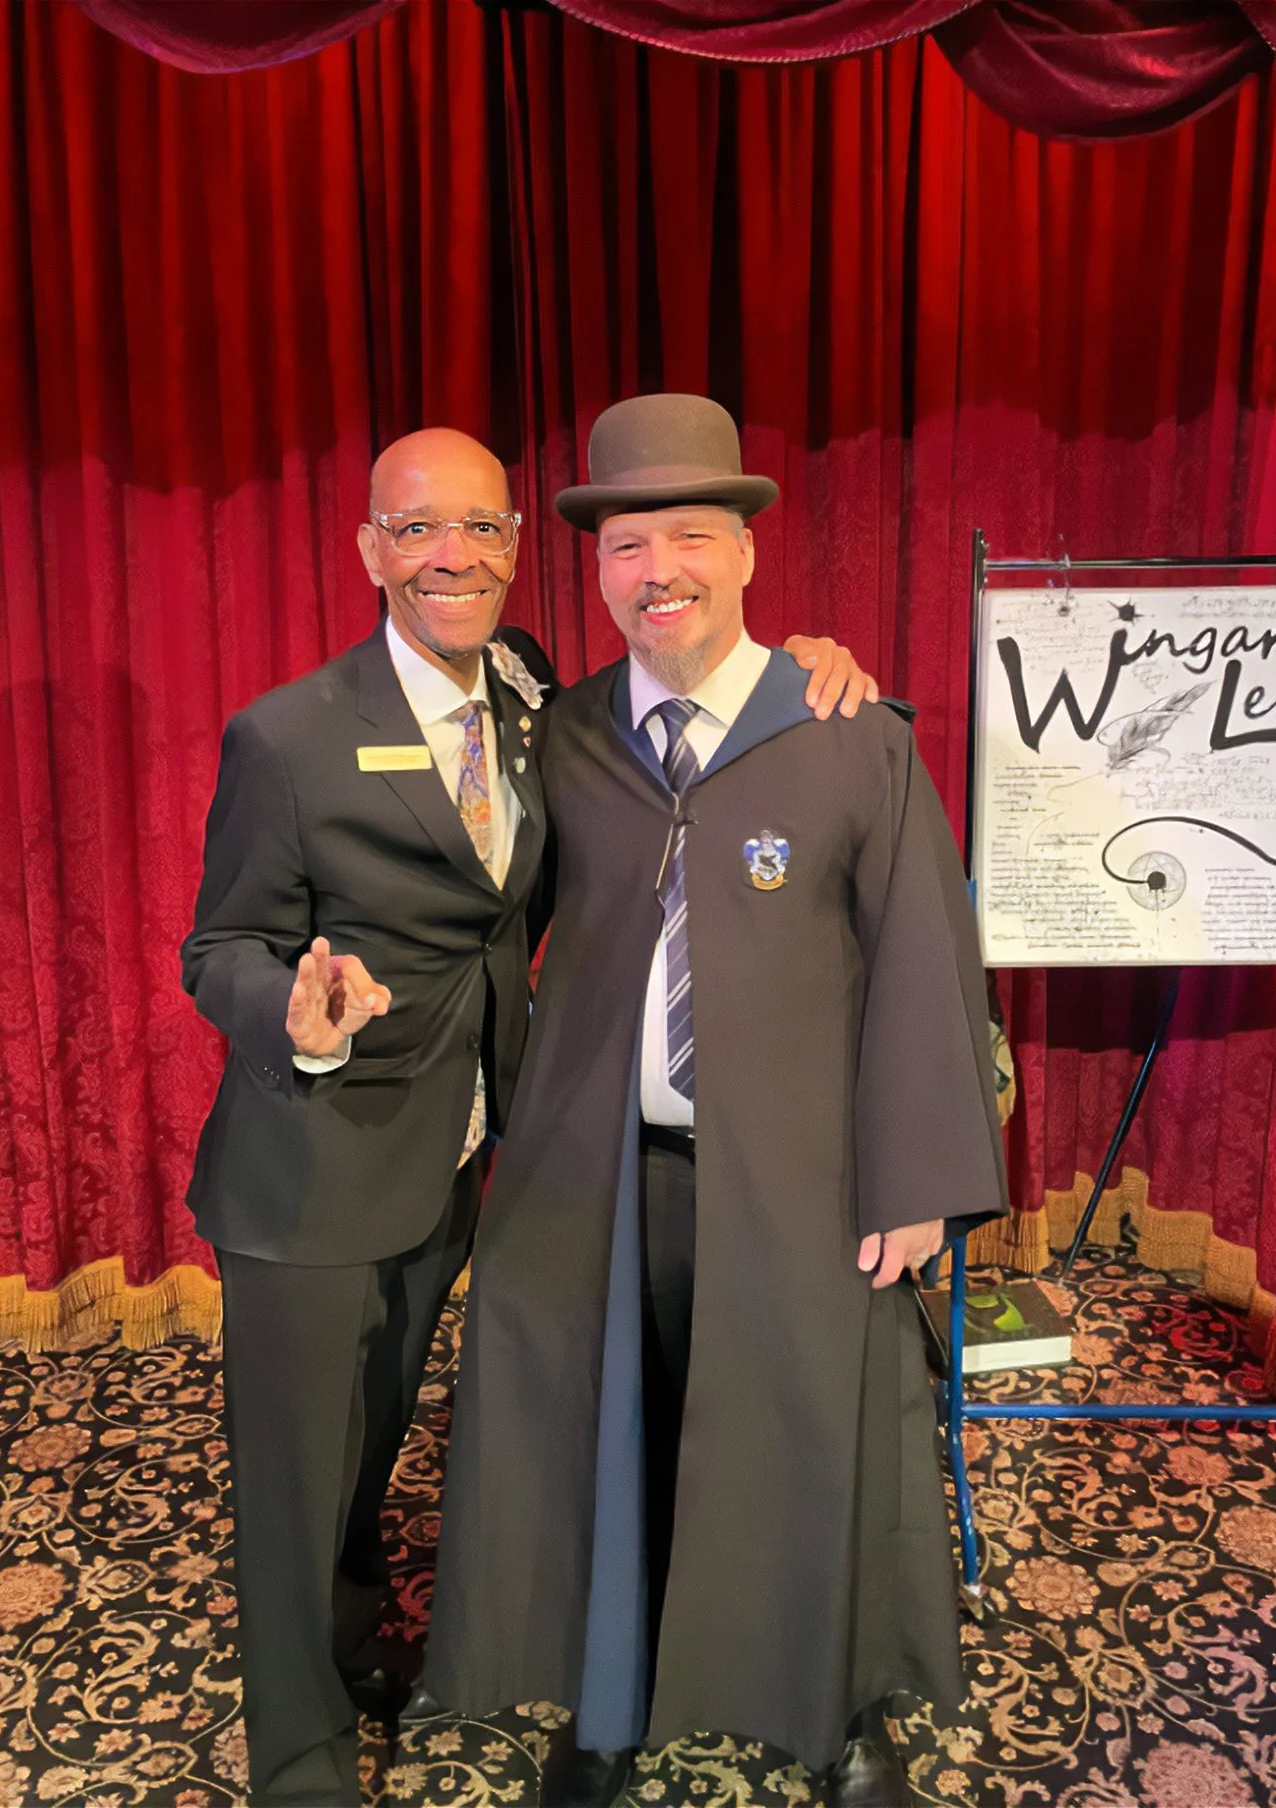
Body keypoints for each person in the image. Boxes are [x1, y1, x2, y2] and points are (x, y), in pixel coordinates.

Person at [180, 424, 873, 1807]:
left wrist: (805, 665)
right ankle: (301, 1762)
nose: (451, 554)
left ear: (513, 549)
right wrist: (292, 1019)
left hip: (463, 1160)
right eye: (417, 528)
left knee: (371, 1446)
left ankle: (347, 1650)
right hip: (310, 1169)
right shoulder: (290, 734)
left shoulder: (533, 694)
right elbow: (221, 948)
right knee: (296, 1480)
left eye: (482, 528)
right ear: (371, 549)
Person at [411, 395, 1009, 1808]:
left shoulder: (848, 736)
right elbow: (480, 919)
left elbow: (927, 967)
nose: (658, 570)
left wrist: (916, 1181)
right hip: (602, 1177)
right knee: (607, 1439)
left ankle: (837, 1714)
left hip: (802, 1182)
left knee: (812, 1442)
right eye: (627, 545)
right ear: (598, 568)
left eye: (689, 535)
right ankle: (608, 1705)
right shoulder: (562, 739)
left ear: (745, 551)